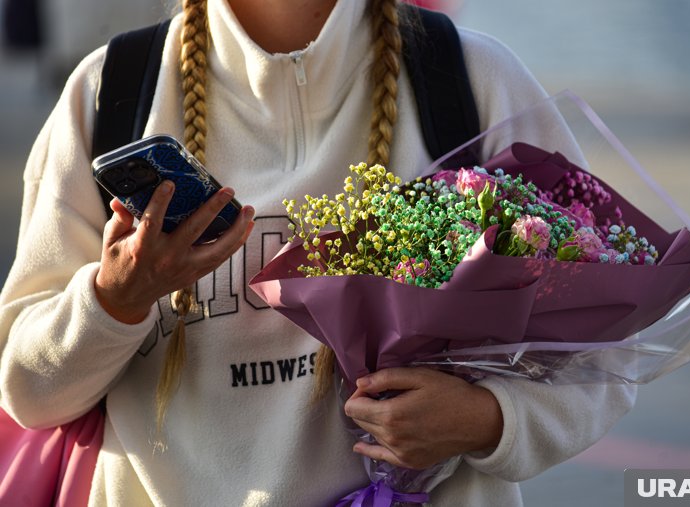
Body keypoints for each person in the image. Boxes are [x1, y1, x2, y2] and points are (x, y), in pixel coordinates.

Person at [0, 0, 636, 505]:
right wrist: (115, 298)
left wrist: (490, 419)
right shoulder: (108, 92)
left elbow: (604, 356)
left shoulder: (472, 80)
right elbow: (27, 392)